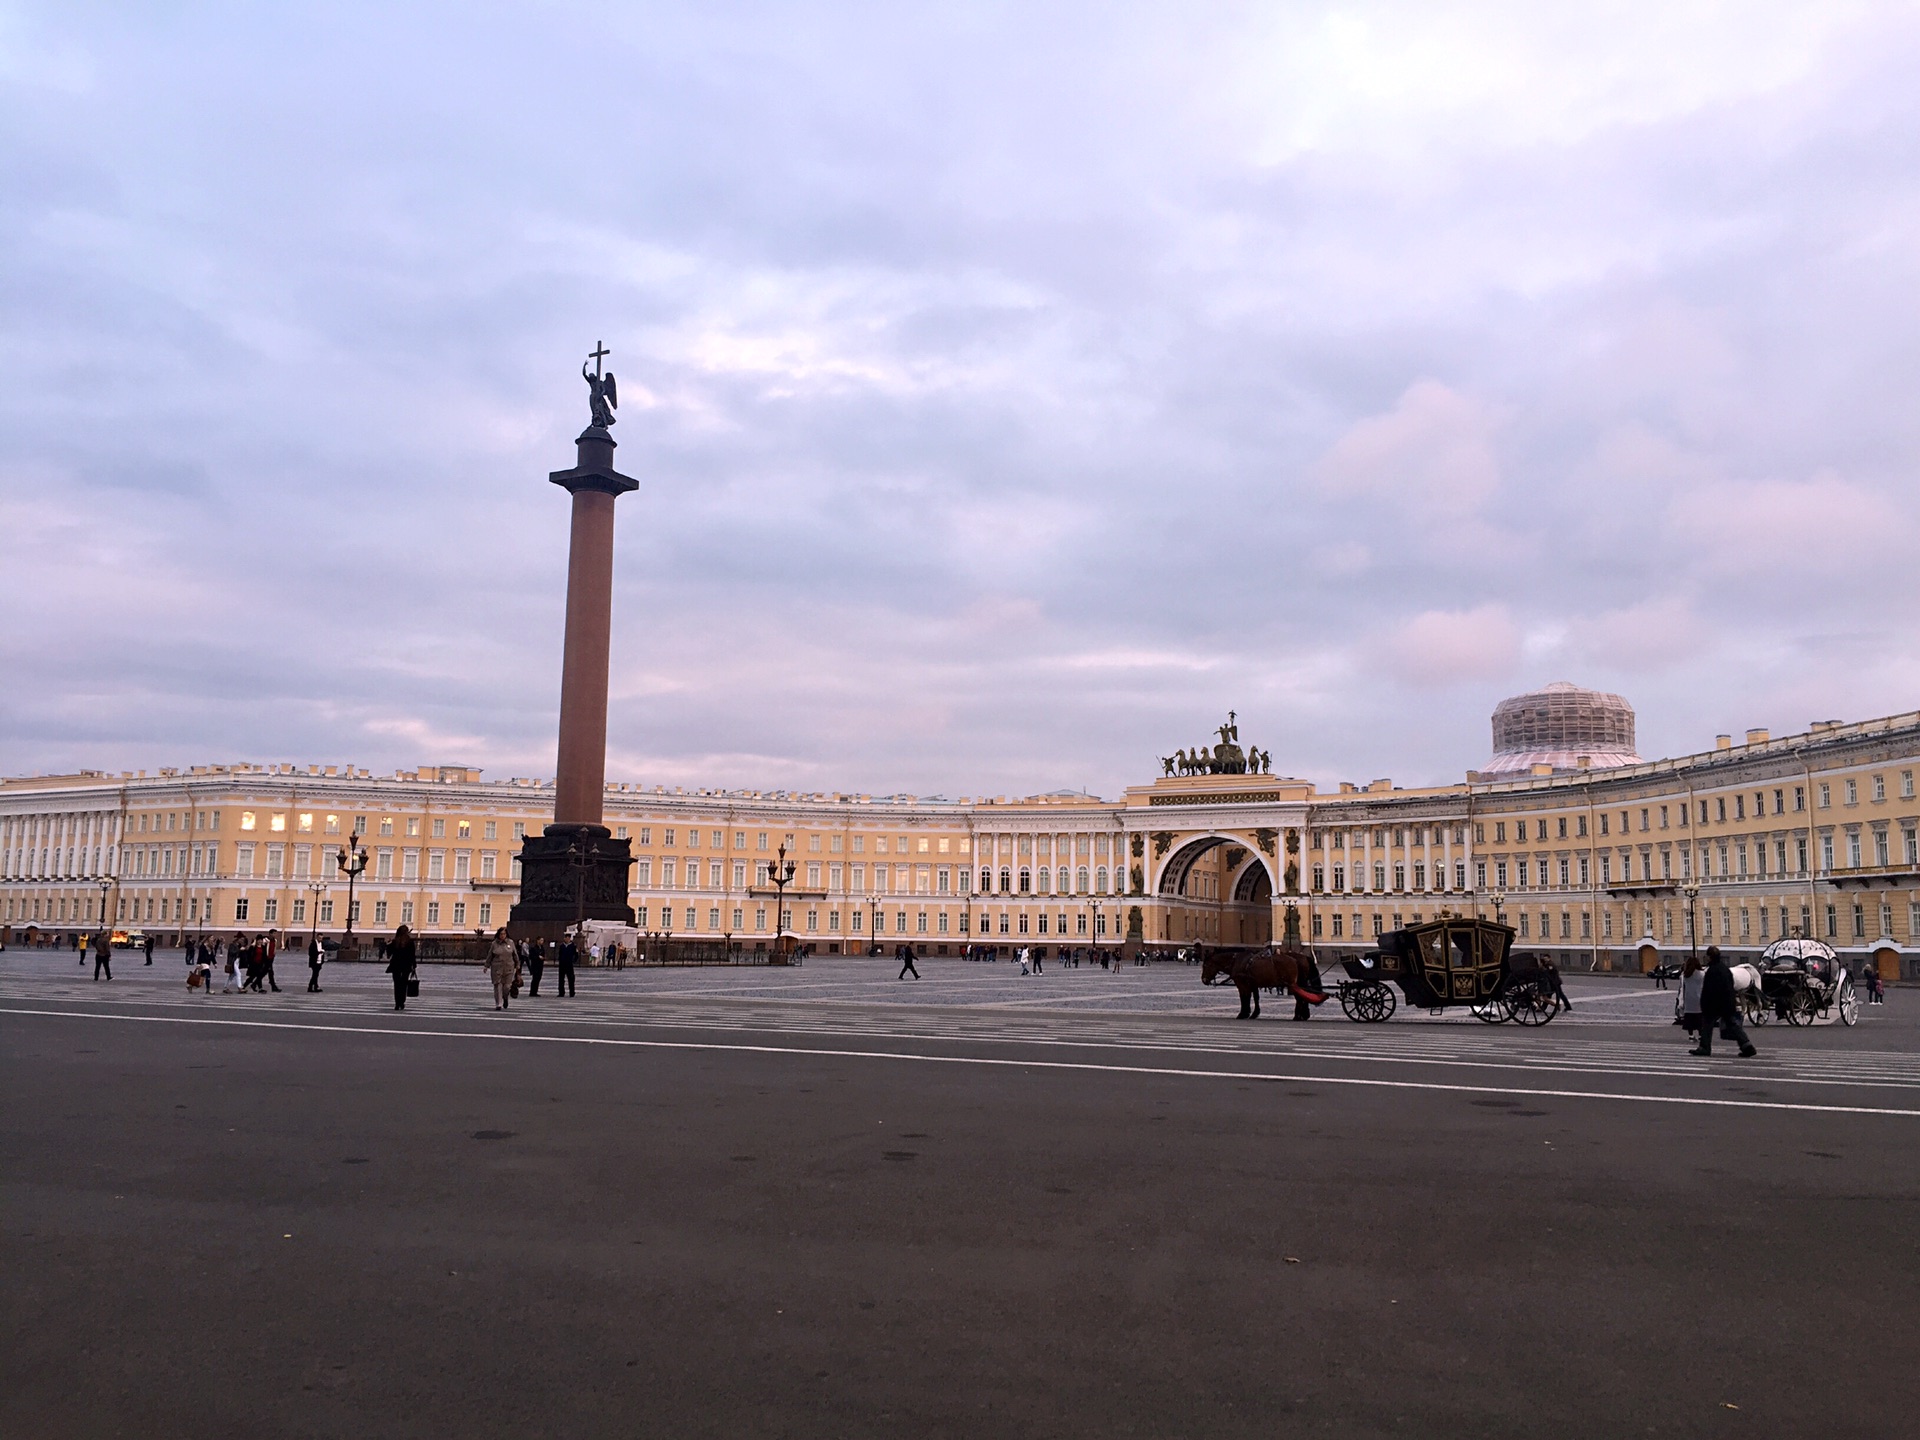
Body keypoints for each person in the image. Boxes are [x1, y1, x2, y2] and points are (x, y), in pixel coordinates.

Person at [1694, 945, 1757, 1058]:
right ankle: (1747, 1046)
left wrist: (1704, 1004)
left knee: (1707, 1025)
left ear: (1710, 957)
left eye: (1707, 956)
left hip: (1714, 1003)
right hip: (1728, 1002)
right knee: (1733, 1025)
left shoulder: (1712, 971)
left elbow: (1709, 990)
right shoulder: (1725, 969)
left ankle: (1704, 1047)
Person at [386, 924, 417, 1011]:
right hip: (406, 966)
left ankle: (397, 1003)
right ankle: (402, 1002)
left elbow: (389, 954)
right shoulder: (409, 942)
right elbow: (412, 955)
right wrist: (414, 966)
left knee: (397, 985)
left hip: (396, 965)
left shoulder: (395, 941)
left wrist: (388, 945)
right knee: (403, 985)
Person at [486, 927, 517, 1011]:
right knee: (498, 985)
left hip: (509, 967)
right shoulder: (494, 944)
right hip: (497, 967)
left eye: (504, 934)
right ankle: (498, 1004)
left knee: (507, 986)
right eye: (501, 934)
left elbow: (515, 955)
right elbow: (490, 955)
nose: (502, 936)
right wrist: (486, 965)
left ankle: (505, 996)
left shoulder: (511, 943)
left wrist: (518, 965)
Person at [1676, 954, 1704, 1039]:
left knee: (1689, 1019)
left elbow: (1682, 988)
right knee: (1699, 1019)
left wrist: (1681, 1001)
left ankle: (1691, 1035)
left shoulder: (1685, 975)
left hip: (1688, 1000)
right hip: (1699, 999)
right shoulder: (1702, 974)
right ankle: (1700, 1035)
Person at [555, 932, 577, 997]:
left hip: (569, 964)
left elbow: (576, 954)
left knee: (571, 979)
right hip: (562, 964)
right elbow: (560, 954)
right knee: (561, 979)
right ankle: (561, 992)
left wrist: (573, 961)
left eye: (568, 938)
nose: (567, 939)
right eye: (566, 938)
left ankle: (572, 992)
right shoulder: (562, 946)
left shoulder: (573, 946)